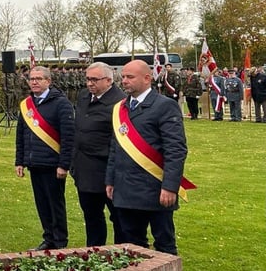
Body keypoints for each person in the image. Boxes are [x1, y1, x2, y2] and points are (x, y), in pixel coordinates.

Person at [105, 60, 189, 255]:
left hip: (155, 188)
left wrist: (169, 186)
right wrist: (110, 179)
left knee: (164, 243)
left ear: (147, 78)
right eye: (123, 77)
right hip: (125, 188)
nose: (124, 81)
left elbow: (175, 150)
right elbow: (115, 147)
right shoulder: (120, 108)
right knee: (132, 244)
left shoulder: (165, 106)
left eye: (130, 77)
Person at [15, 66, 75, 250]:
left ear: (48, 81)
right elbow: (21, 135)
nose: (34, 82)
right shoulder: (26, 105)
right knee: (42, 204)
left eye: (39, 79)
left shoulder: (61, 103)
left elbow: (68, 136)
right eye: (32, 79)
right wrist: (20, 161)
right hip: (35, 163)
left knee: (55, 204)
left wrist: (64, 165)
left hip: (53, 165)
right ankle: (48, 238)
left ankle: (59, 241)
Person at [71, 62, 125, 246]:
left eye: (94, 79)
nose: (89, 83)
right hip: (84, 169)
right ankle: (94, 252)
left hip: (108, 171)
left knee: (119, 218)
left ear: (109, 80)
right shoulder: (84, 97)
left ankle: (122, 254)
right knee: (92, 216)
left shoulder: (120, 102)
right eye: (87, 79)